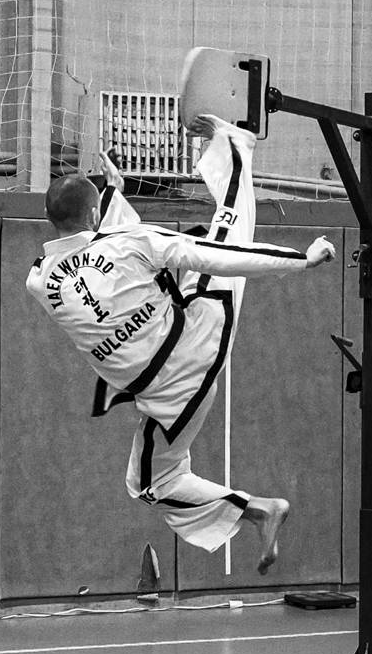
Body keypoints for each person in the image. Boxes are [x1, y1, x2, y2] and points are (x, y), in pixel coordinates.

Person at [26, 114, 336, 571]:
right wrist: (300, 261)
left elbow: (88, 256)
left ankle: (259, 509)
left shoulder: (38, 280)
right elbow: (211, 255)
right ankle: (234, 143)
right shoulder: (130, 242)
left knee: (150, 483)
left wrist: (111, 194)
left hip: (161, 397)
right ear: (94, 216)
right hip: (195, 348)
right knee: (223, 234)